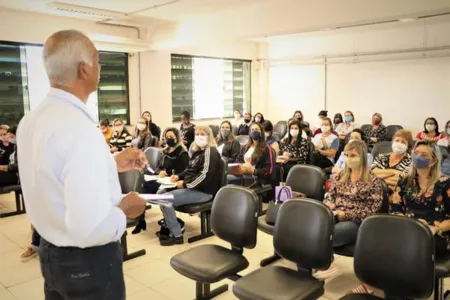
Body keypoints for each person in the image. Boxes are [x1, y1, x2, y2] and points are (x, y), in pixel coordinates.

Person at [16, 30, 147, 299]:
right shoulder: (80, 129)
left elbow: (54, 175)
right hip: (86, 262)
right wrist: (126, 210)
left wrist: (109, 163)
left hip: (50, 252)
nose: (100, 68)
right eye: (98, 61)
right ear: (84, 69)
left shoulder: (30, 121)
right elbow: (89, 230)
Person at [351, 140, 450, 294]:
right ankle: (377, 285)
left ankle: (396, 290)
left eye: (424, 155)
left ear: (434, 160)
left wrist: (435, 228)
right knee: (381, 241)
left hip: (436, 234)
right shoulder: (405, 180)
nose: (418, 157)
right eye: (416, 154)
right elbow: (395, 208)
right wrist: (409, 224)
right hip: (407, 228)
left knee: (404, 247)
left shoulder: (445, 183)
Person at [315, 140, 383, 282]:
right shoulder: (340, 176)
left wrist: (346, 214)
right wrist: (329, 204)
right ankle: (320, 263)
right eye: (346, 155)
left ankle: (325, 263)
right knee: (314, 228)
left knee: (330, 234)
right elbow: (329, 195)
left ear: (362, 157)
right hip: (334, 215)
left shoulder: (373, 181)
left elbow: (372, 210)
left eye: (353, 155)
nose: (349, 159)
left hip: (357, 222)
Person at [159, 125, 222, 246]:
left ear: (209, 136)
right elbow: (190, 170)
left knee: (165, 199)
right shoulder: (198, 151)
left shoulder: (210, 152)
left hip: (203, 192)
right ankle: (170, 224)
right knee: (160, 193)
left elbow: (204, 176)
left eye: (202, 134)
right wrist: (178, 176)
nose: (199, 137)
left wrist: (185, 184)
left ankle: (176, 234)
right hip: (193, 187)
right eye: (197, 134)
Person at [132, 128, 190, 235]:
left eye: (171, 137)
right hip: (162, 179)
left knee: (153, 190)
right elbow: (159, 167)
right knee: (142, 187)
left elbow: (184, 171)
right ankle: (140, 220)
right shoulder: (165, 151)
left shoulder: (182, 153)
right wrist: (160, 172)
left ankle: (172, 222)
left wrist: (170, 175)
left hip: (173, 181)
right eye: (167, 137)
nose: (168, 139)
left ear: (177, 138)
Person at [230, 122, 275, 186]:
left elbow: (269, 170)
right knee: (226, 177)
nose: (254, 131)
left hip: (257, 178)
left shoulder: (267, 148)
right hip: (244, 174)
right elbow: (238, 160)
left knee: (229, 180)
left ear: (261, 132)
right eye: (252, 129)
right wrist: (242, 167)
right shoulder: (246, 147)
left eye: (256, 129)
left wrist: (254, 171)